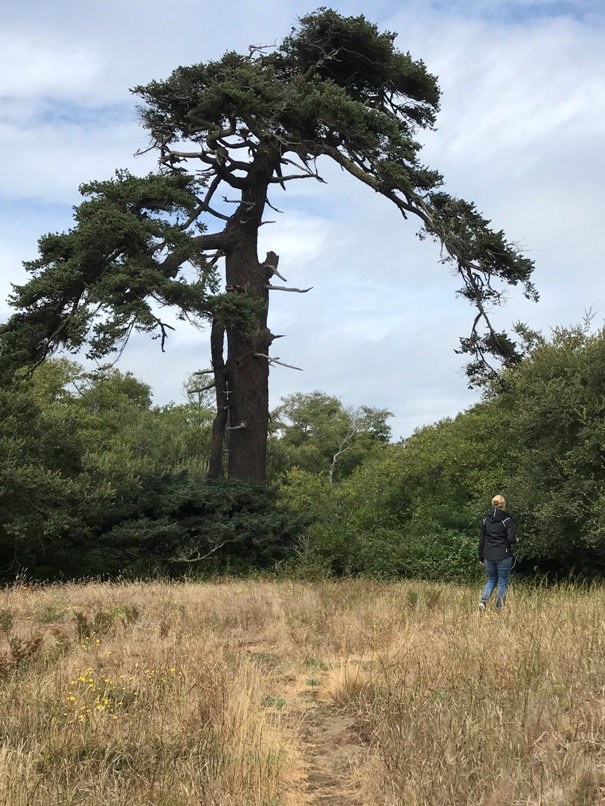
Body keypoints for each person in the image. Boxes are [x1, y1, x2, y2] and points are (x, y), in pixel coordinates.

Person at [478, 494, 518, 610]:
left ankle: (483, 601)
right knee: (502, 581)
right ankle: (499, 606)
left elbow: (482, 539)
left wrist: (481, 557)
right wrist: (516, 541)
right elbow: (510, 538)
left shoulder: (486, 520)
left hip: (488, 554)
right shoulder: (507, 520)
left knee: (491, 580)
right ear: (503, 505)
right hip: (503, 554)